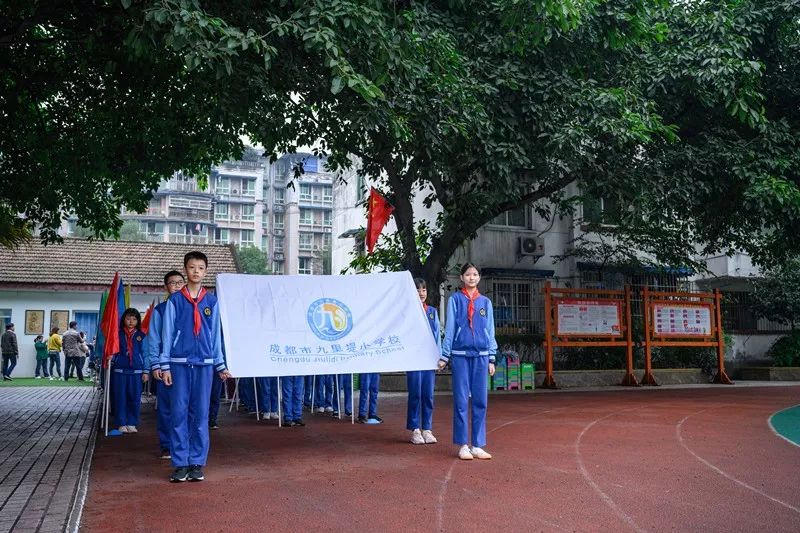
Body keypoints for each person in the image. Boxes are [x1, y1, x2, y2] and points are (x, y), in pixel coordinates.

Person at [160, 251, 232, 483]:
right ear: (186, 270)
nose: (196, 271)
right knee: (179, 413)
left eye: (200, 268)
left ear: (205, 272)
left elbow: (215, 338)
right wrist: (165, 365)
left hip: (204, 365)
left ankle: (197, 462)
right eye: (192, 267)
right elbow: (167, 333)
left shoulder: (211, 302)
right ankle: (180, 463)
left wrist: (220, 364)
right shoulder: (175, 301)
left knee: (200, 415)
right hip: (179, 364)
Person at [439, 263, 497, 461]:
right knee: (461, 400)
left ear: (479, 277)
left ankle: (478, 445)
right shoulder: (455, 300)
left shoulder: (486, 303)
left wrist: (492, 357)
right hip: (461, 355)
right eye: (468, 274)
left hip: (481, 355)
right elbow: (451, 328)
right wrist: (445, 355)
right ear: (461, 278)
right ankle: (463, 444)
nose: (471, 277)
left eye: (475, 274)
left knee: (481, 401)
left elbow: (490, 331)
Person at [147, 270, 186, 459]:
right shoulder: (160, 310)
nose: (177, 286)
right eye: (173, 283)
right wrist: (156, 364)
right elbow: (153, 338)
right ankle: (167, 445)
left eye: (180, 282)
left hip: (188, 365)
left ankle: (184, 444)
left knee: (187, 406)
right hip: (167, 365)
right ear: (166, 287)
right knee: (167, 406)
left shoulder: (191, 307)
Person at [407, 278, 441, 445]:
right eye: (417, 290)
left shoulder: (433, 312)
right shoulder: (407, 312)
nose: (421, 293)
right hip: (414, 360)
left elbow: (437, 337)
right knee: (415, 394)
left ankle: (427, 428)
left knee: (428, 395)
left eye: (424, 290)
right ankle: (415, 429)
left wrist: (440, 357)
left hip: (429, 360)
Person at [111, 308, 149, 433]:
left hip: (136, 372)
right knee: (120, 398)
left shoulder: (141, 336)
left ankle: (132, 422)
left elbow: (146, 354)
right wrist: (111, 357)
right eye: (128, 318)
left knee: (134, 398)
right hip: (120, 371)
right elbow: (113, 349)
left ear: (138, 321)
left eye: (134, 319)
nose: (131, 321)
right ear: (123, 320)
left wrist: (146, 371)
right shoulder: (117, 334)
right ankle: (121, 422)